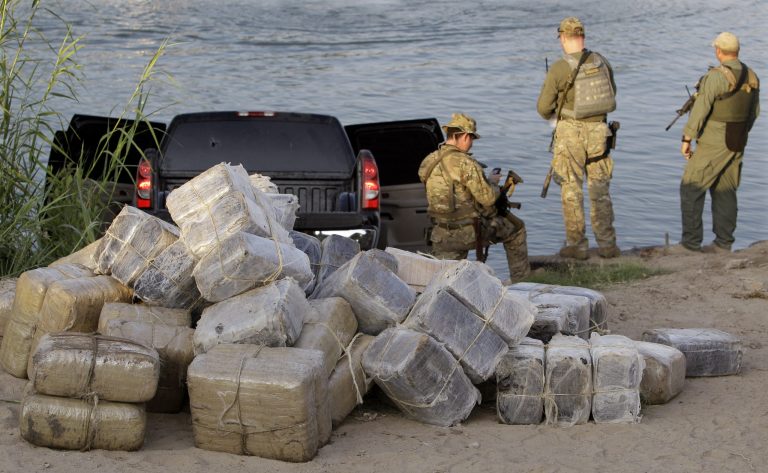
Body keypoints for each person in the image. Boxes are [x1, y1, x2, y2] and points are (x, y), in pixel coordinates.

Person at [536, 17, 620, 260]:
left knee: (571, 189)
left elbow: (543, 107)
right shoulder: (602, 61)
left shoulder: (560, 68)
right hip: (600, 133)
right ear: (582, 36)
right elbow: (612, 92)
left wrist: (557, 115)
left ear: (563, 38)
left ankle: (577, 245)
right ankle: (608, 245)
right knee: (600, 190)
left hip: (570, 134)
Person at [418, 112, 530, 281]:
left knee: (445, 279)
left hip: (440, 234)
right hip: (469, 231)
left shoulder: (428, 161)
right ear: (464, 136)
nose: (471, 144)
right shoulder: (466, 163)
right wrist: (492, 183)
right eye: (471, 139)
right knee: (517, 228)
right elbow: (488, 198)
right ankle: (521, 282)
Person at [678, 32, 760, 253]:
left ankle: (690, 244)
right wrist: (741, 132)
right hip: (738, 138)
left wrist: (687, 138)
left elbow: (700, 110)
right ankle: (724, 244)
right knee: (725, 189)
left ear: (718, 51)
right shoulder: (752, 75)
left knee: (691, 186)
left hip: (715, 139)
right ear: (737, 50)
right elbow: (754, 113)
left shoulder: (715, 76)